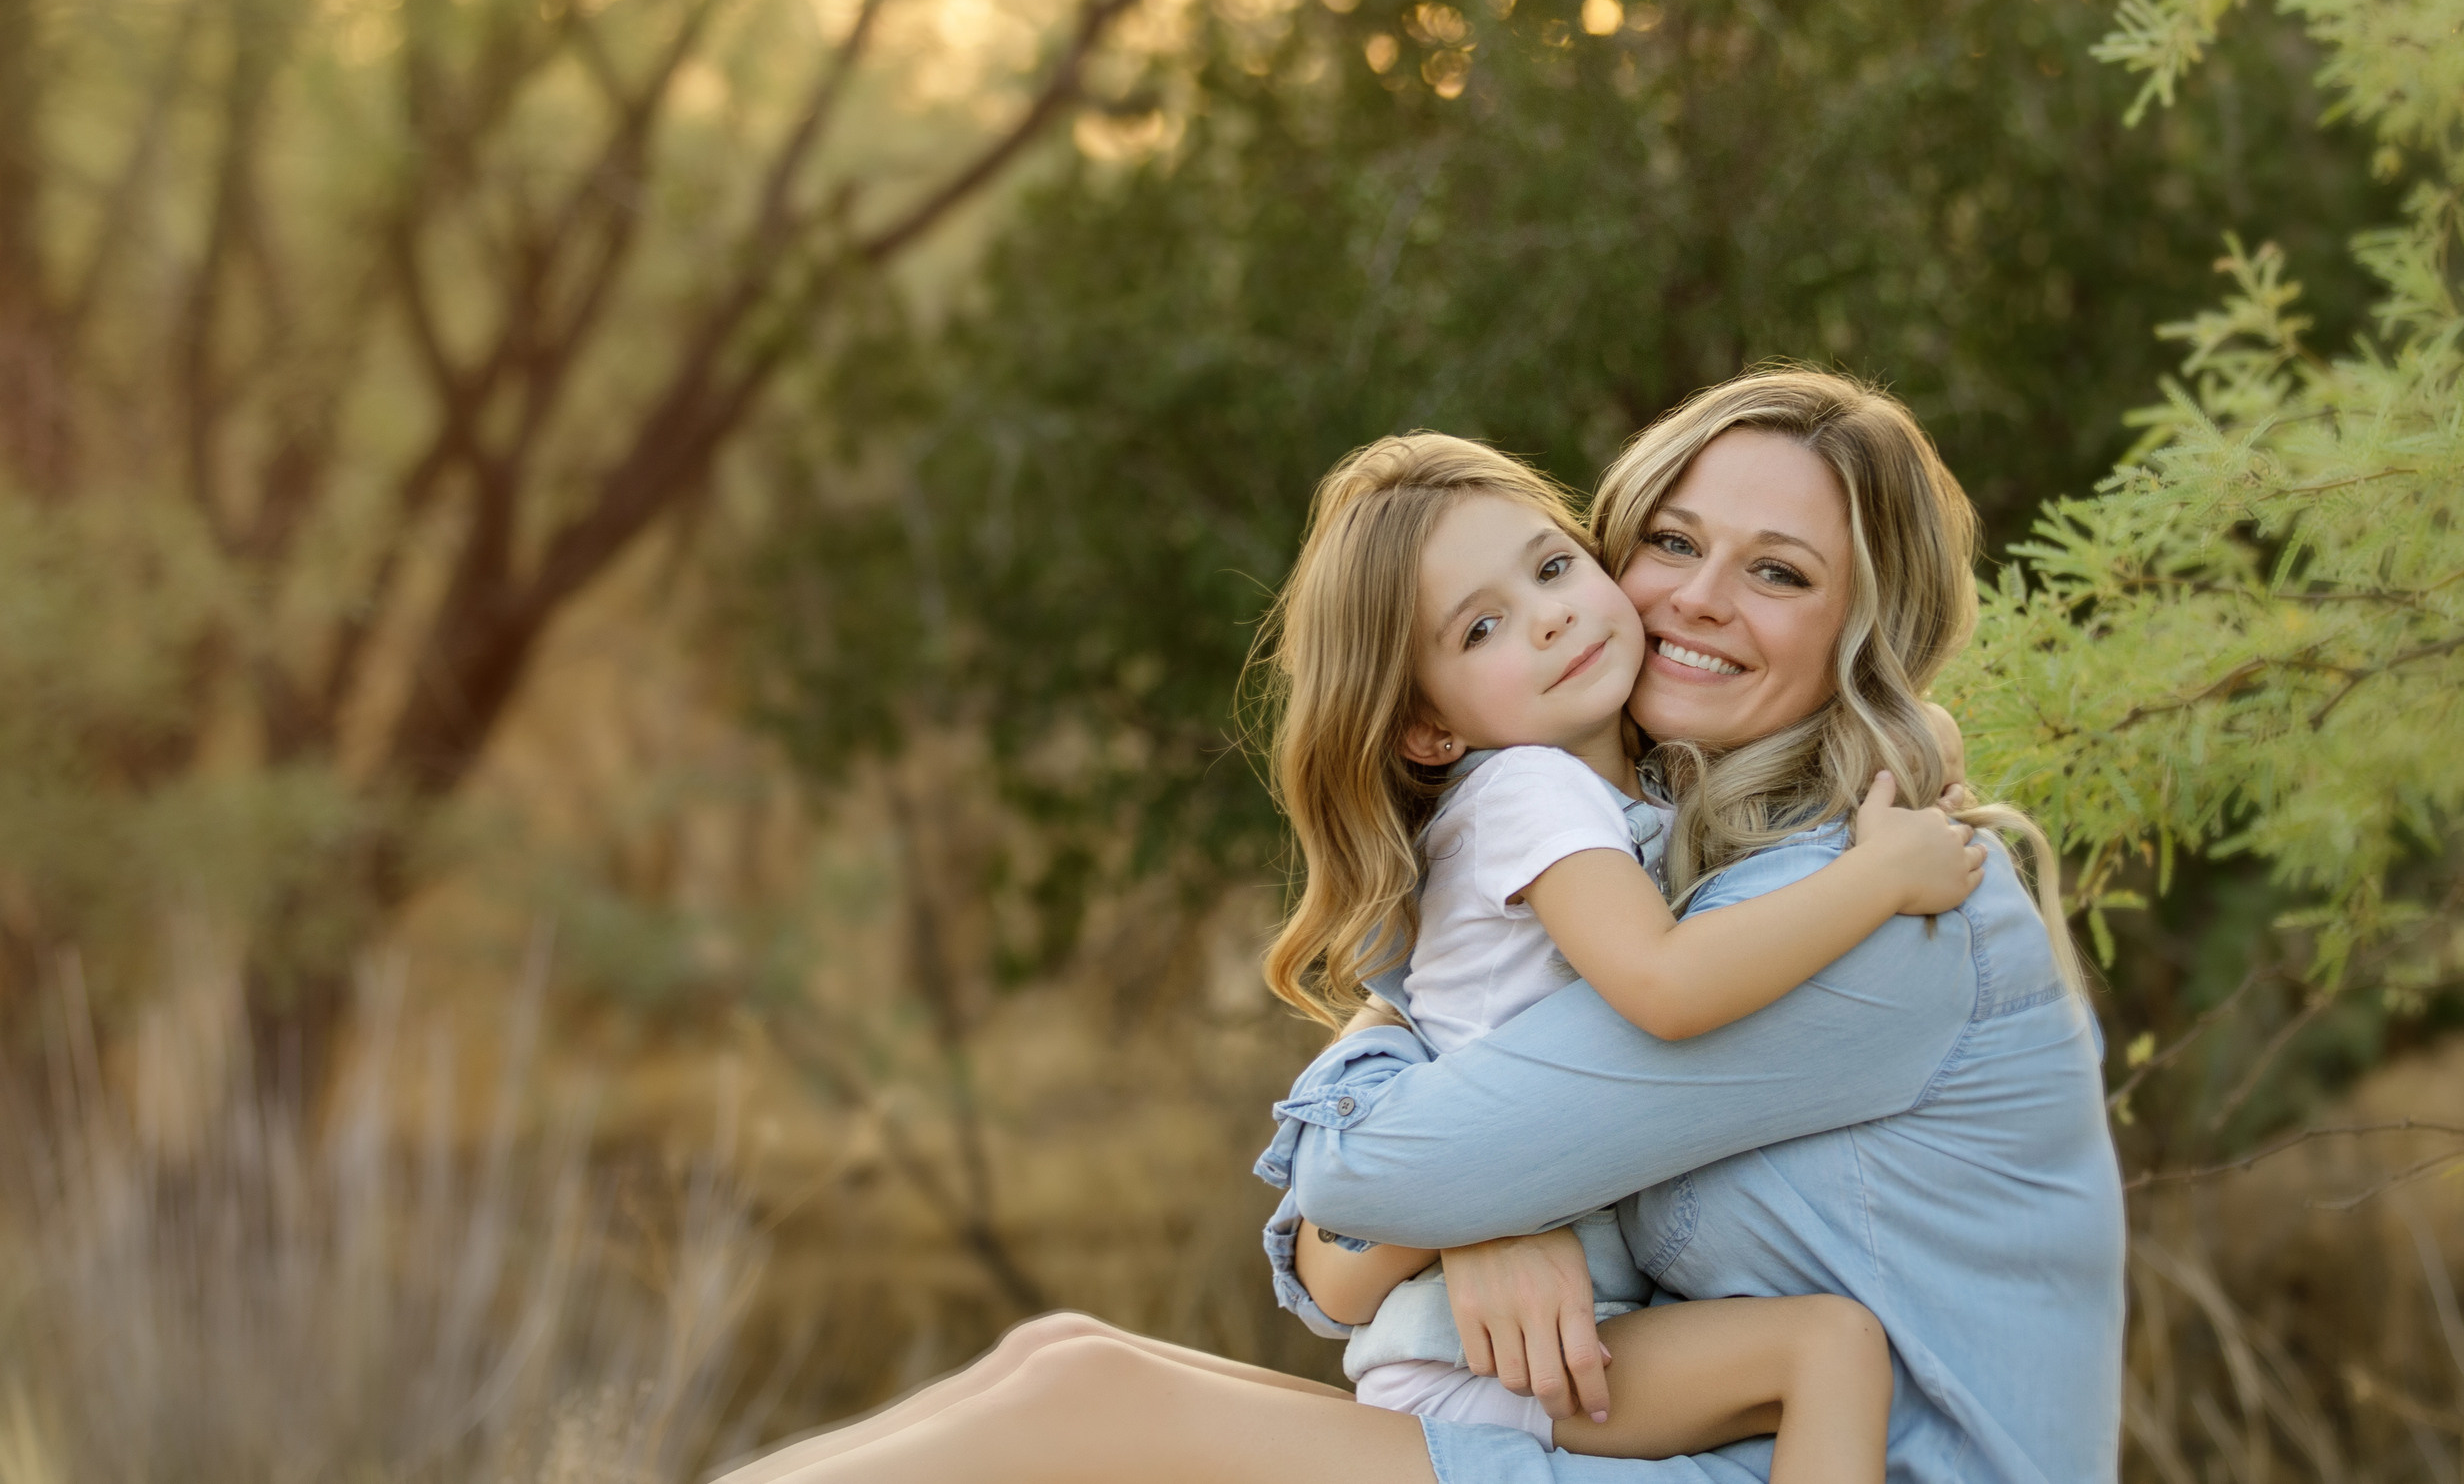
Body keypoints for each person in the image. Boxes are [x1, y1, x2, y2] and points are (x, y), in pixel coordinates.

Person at [716, 369, 2123, 1484]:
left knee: (1088, 1397)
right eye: (1673, 541)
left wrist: (1466, 1192)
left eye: (1778, 573)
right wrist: (1479, 1211)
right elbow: (1341, 1243)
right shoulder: (1666, 838)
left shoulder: (1863, 916)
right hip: (1654, 1420)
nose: (1693, 595)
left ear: (1865, 624)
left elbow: (1378, 1181)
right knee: (1060, 1350)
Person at [1253, 430, 1983, 1480]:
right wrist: (1881, 878)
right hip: (1503, 1348)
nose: (1549, 614)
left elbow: (1883, 737)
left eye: (1552, 566)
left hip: (1538, 1328)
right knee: (1829, 1349)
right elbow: (1666, 986)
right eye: (1484, 628)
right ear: (1427, 730)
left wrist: (1925, 745)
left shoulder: (1626, 795)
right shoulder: (1531, 795)